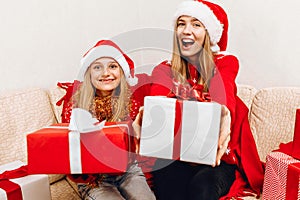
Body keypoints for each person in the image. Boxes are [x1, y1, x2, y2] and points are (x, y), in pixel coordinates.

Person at [145, 0, 264, 199]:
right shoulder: (164, 69)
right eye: (181, 24)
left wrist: (223, 112)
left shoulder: (225, 63)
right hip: (176, 156)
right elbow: (157, 102)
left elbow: (223, 91)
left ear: (209, 33)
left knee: (202, 187)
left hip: (217, 160)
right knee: (171, 185)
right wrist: (149, 115)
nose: (186, 30)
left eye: (196, 24)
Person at [69, 39, 156, 200]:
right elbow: (69, 149)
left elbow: (136, 145)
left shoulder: (131, 102)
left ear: (121, 72)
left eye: (113, 66)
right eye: (97, 67)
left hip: (128, 170)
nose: (105, 73)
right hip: (95, 178)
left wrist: (139, 129)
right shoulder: (76, 106)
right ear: (89, 73)